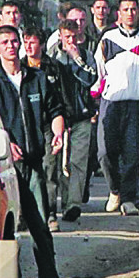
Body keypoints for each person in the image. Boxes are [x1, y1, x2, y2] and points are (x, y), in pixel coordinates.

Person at [0, 25, 65, 278]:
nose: (10, 46)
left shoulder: (37, 78)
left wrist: (58, 132)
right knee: (6, 227)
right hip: (2, 166)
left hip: (32, 163)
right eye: (4, 42)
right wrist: (5, 140)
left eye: (14, 41)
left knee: (40, 221)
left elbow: (54, 109)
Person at [93, 0, 139, 216]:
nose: (130, 13)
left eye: (133, 9)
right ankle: (115, 190)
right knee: (105, 152)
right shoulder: (108, 39)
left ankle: (128, 198)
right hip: (111, 102)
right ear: (119, 14)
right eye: (126, 9)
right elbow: (98, 71)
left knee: (133, 154)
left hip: (137, 104)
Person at [48, 17, 98, 222]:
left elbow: (90, 79)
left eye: (74, 37)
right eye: (67, 37)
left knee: (78, 161)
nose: (71, 41)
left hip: (81, 116)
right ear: (60, 36)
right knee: (59, 164)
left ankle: (73, 204)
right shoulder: (51, 57)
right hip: (58, 118)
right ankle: (58, 202)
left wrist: (77, 59)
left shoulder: (86, 55)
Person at [22, 26, 71, 231]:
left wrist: (62, 126)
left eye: (33, 42)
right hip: (26, 126)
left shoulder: (54, 67)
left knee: (50, 170)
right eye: (26, 42)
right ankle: (26, 213)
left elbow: (62, 99)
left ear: (41, 44)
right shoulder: (19, 68)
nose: (29, 46)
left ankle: (50, 213)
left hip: (49, 126)